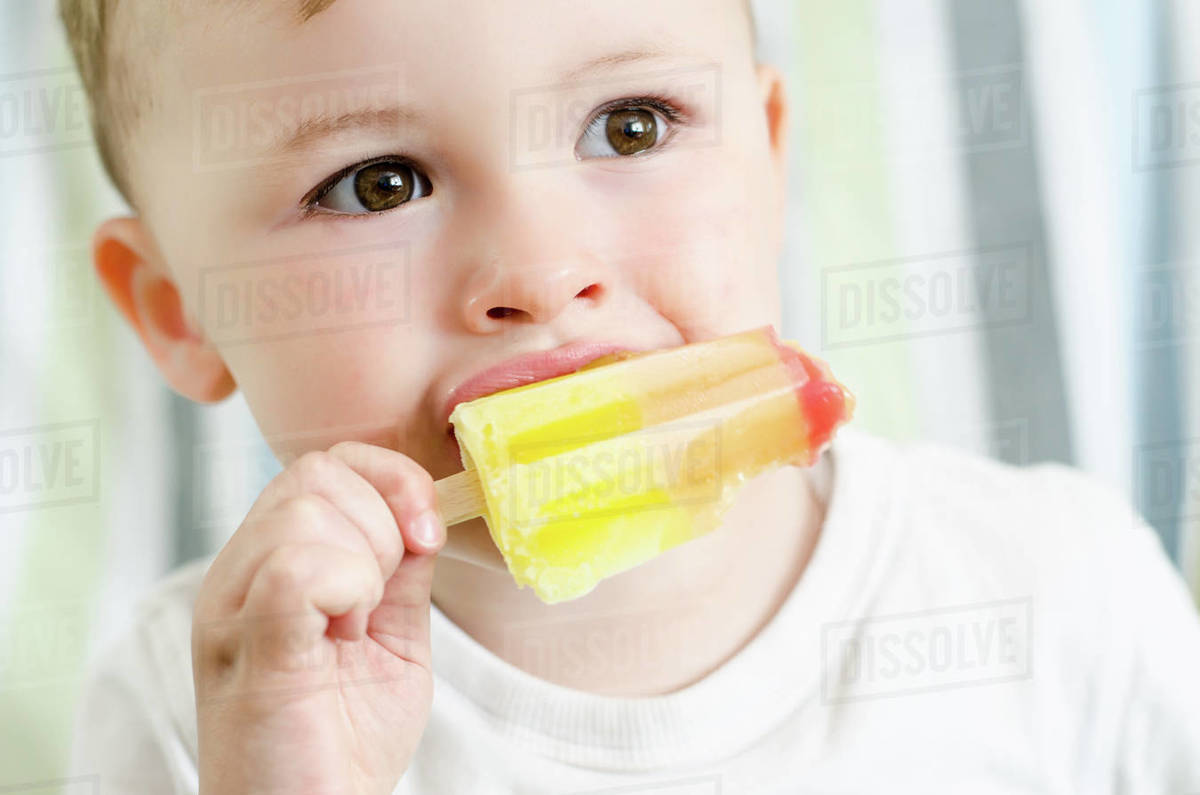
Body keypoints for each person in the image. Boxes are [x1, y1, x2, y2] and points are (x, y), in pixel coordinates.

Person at [58, 0, 1200, 792]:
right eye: (377, 184)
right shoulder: (204, 711)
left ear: (768, 159)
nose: (543, 272)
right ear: (179, 311)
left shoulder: (1060, 597)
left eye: (631, 124)